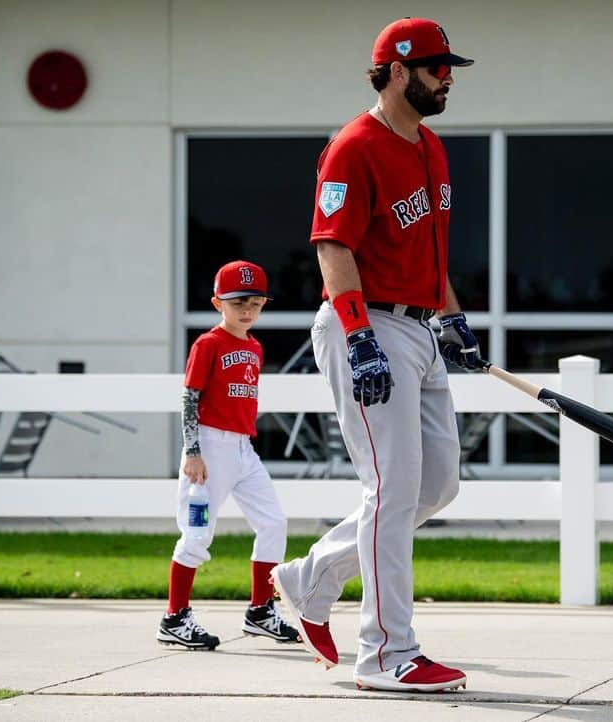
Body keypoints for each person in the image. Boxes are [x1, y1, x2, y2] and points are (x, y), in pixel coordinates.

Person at [271, 18, 483, 692]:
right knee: (389, 491)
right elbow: (333, 247)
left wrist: (454, 321)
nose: (447, 78)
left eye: (449, 68)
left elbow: (431, 254)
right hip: (365, 325)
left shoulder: (432, 147)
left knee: (435, 484)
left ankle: (312, 578)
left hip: (420, 330)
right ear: (397, 71)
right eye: (436, 68)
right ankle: (388, 655)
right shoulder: (353, 147)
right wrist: (360, 337)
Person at [157, 260, 301, 650]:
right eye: (238, 301)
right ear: (218, 302)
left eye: (256, 302)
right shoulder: (208, 344)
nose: (247, 310)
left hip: (242, 449)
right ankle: (174, 617)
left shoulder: (254, 347)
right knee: (197, 533)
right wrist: (193, 450)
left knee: (273, 523)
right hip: (209, 450)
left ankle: (260, 610)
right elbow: (190, 397)